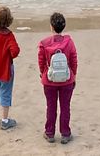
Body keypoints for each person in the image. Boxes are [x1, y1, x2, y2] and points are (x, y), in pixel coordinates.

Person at [38, 11, 78, 144]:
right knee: (65, 106)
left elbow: (41, 62)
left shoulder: (44, 43)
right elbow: (73, 60)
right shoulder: (69, 42)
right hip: (67, 80)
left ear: (51, 26)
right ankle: (65, 134)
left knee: (51, 106)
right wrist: (73, 75)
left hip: (49, 81)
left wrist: (43, 74)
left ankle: (49, 133)